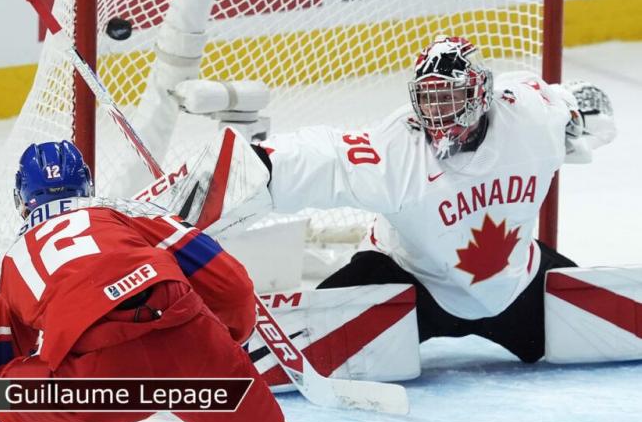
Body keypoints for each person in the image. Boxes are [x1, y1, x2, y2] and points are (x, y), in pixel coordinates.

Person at [250, 36, 616, 364]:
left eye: (450, 96)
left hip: (514, 284)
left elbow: (575, 108)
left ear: (480, 92)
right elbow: (324, 157)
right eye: (429, 98)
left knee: (607, 331)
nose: (437, 111)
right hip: (406, 283)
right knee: (294, 354)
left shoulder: (530, 114)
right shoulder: (396, 148)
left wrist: (583, 112)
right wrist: (257, 165)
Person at [0, 141, 320, 422]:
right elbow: (234, 287)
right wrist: (224, 349)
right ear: (87, 185)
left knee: (9, 399)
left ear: (21, 199)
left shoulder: (12, 260)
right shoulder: (130, 212)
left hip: (103, 384)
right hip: (195, 346)